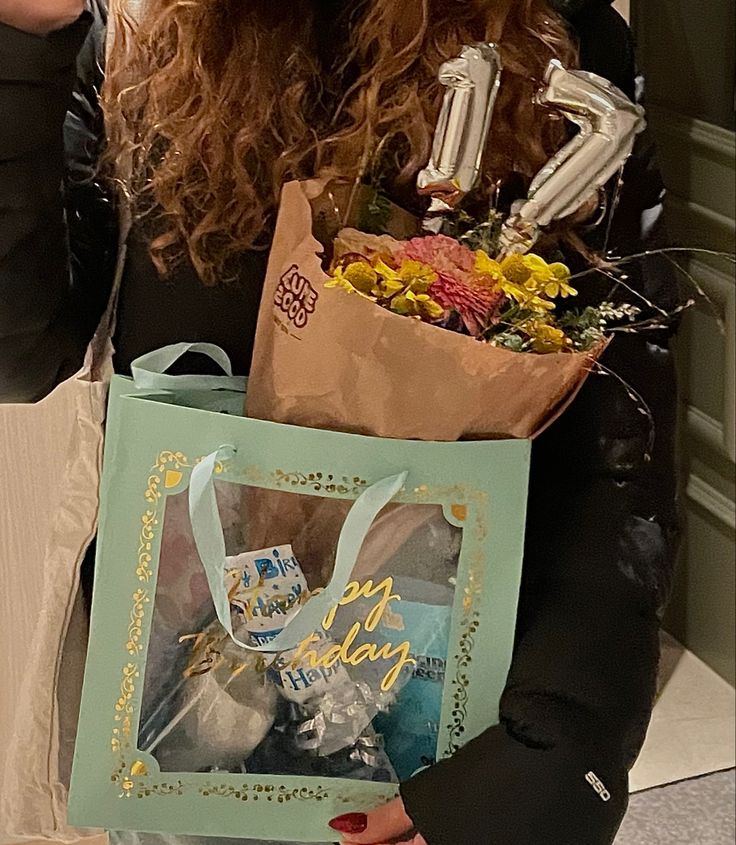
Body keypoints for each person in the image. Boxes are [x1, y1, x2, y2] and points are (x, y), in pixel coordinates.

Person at [0, 1, 680, 843]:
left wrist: (558, 739)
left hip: (438, 719)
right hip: (180, 703)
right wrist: (22, 39)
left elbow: (617, 433)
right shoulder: (136, 31)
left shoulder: (556, 34)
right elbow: (18, 354)